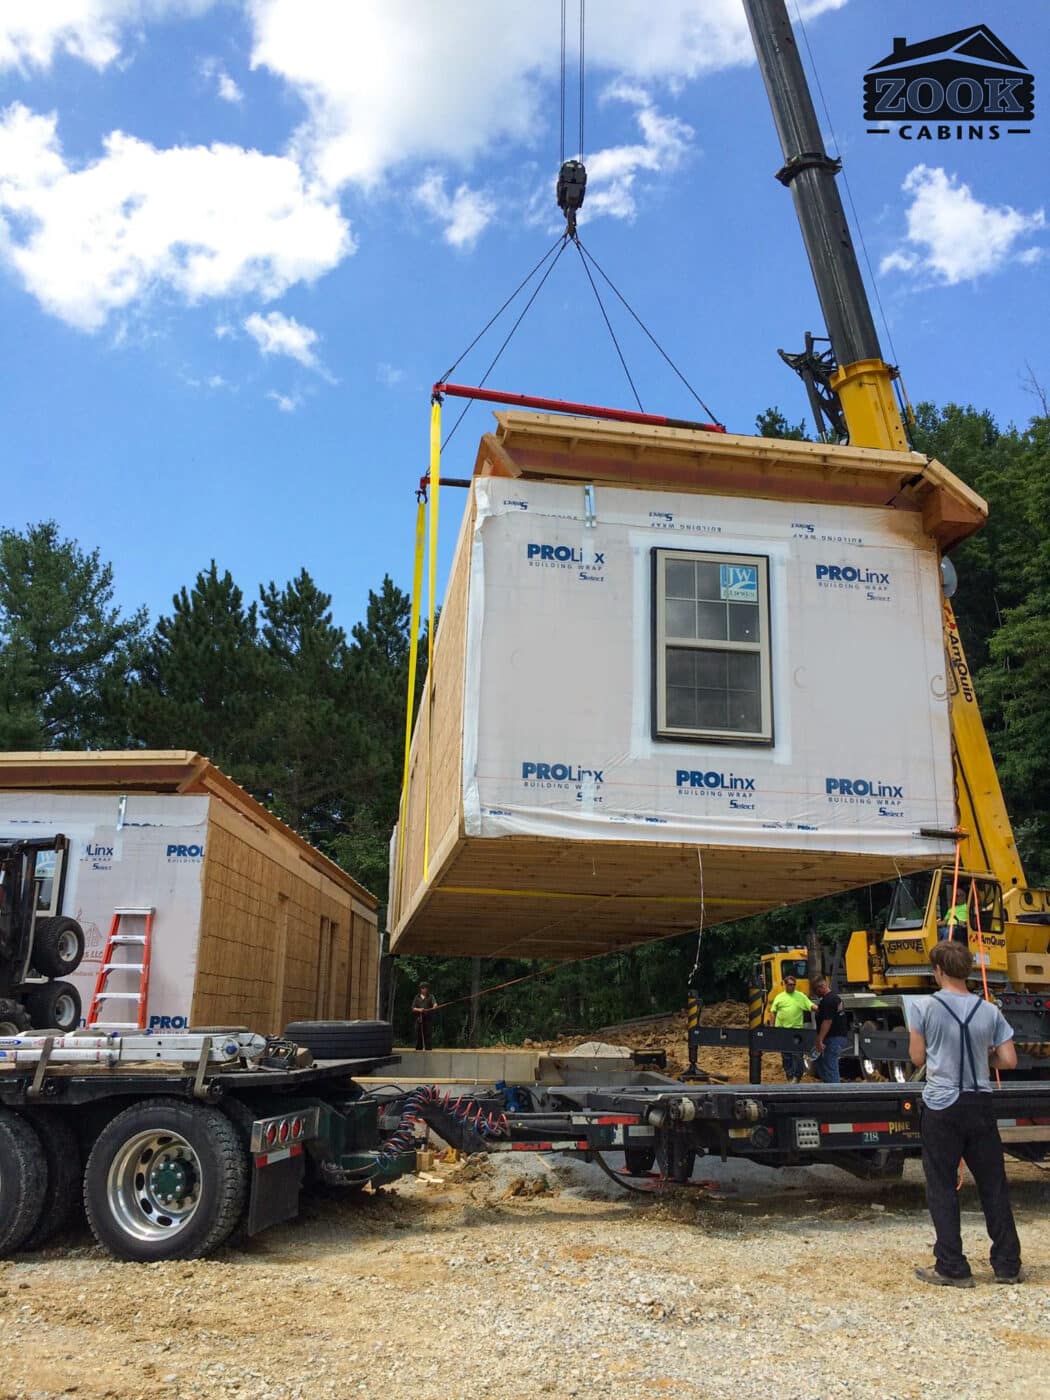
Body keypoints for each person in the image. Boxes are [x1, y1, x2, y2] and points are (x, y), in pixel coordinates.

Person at [908, 941, 1022, 1287]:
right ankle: (1007, 1264)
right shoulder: (989, 1011)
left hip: (943, 1105)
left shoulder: (922, 1006)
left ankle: (953, 1266)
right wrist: (982, 1059)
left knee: (942, 1185)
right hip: (980, 1103)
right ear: (968, 970)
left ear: (938, 971)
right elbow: (1009, 1060)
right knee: (993, 1184)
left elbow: (917, 1058)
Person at [767, 974, 815, 1082]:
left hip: (796, 1030)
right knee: (786, 1055)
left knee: (798, 1054)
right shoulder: (779, 997)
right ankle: (789, 1075)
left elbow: (810, 1005)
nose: (792, 986)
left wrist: (820, 1008)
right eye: (790, 984)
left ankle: (797, 1076)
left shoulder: (800, 996)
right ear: (785, 985)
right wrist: (771, 1028)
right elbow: (773, 1012)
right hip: (783, 1030)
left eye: (794, 985)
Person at [810, 974, 849, 1083]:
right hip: (837, 1036)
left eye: (816, 990)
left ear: (821, 987)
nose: (815, 992)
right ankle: (829, 1087)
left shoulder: (828, 1001)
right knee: (821, 1062)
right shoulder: (835, 998)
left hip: (832, 1038)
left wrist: (820, 1039)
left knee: (830, 1066)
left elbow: (827, 1021)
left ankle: (835, 1092)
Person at [411, 982, 438, 1051]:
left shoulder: (431, 996)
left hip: (428, 1019)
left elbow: (434, 1003)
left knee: (428, 1035)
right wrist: (419, 1009)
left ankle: (428, 1050)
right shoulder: (417, 997)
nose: (424, 989)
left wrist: (435, 1006)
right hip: (419, 1019)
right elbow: (413, 1008)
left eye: (425, 988)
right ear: (420, 989)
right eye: (422, 988)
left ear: (427, 989)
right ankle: (418, 1050)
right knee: (418, 1035)